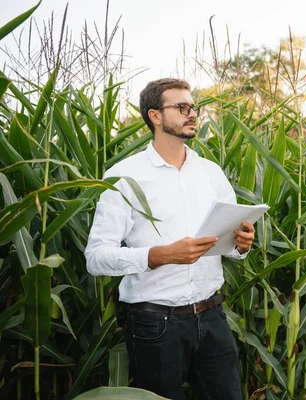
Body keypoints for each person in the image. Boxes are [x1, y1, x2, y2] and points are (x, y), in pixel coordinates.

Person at [85, 78, 254, 400]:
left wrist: (240, 244)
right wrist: (158, 255)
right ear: (155, 116)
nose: (192, 114)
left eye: (193, 107)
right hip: (155, 323)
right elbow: (96, 258)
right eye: (181, 107)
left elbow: (230, 244)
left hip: (213, 316)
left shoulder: (211, 173)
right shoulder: (124, 176)